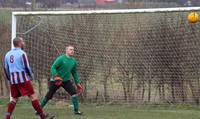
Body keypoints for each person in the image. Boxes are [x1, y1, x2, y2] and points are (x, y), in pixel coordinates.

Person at [3, 37, 52, 119]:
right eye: (22, 41)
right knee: (33, 96)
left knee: (14, 99)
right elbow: (26, 66)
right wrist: (30, 75)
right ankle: (42, 116)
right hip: (23, 79)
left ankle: (7, 117)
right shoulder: (22, 53)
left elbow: (6, 68)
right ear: (19, 43)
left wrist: (10, 78)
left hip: (13, 80)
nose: (24, 42)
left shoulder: (7, 54)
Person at [40, 45, 83, 115]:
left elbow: (74, 72)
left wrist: (77, 82)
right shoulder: (61, 58)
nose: (72, 51)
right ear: (66, 51)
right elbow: (53, 67)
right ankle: (38, 110)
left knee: (74, 93)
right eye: (70, 49)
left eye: (73, 50)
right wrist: (56, 76)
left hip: (66, 81)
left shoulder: (73, 61)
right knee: (49, 95)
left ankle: (76, 111)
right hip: (56, 80)